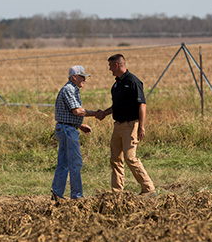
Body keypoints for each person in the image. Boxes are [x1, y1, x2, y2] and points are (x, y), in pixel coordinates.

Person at [96, 54, 156, 198]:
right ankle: (117, 192)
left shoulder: (133, 81)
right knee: (115, 159)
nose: (109, 69)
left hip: (131, 125)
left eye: (110, 66)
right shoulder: (116, 84)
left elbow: (142, 104)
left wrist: (141, 126)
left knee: (130, 158)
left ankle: (148, 188)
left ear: (117, 65)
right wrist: (104, 113)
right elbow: (116, 106)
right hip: (118, 126)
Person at [51, 65, 100, 200]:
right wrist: (95, 114)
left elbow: (68, 113)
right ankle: (77, 196)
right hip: (67, 130)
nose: (84, 79)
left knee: (64, 162)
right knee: (75, 163)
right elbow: (77, 111)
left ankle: (57, 194)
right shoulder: (69, 89)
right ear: (74, 77)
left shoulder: (72, 89)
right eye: (82, 76)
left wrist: (79, 125)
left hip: (66, 128)